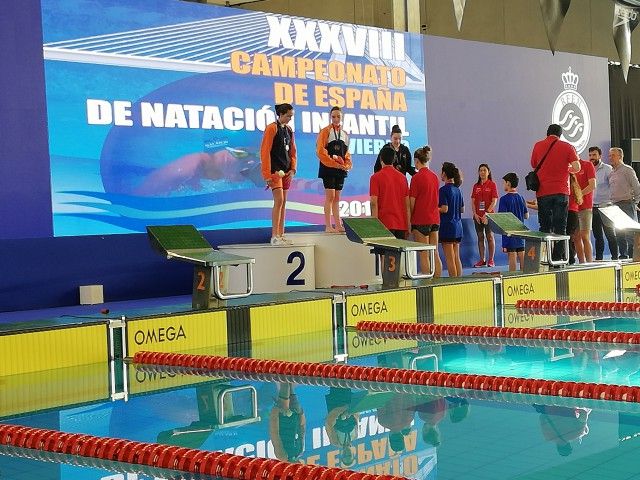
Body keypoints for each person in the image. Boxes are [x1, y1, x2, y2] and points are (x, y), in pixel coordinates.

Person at [530, 124, 581, 261]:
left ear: (547, 133)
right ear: (560, 135)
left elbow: (534, 164)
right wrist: (566, 169)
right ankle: (558, 258)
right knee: (561, 227)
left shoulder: (538, 145)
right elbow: (577, 167)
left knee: (545, 227)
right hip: (561, 191)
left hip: (543, 192)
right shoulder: (567, 146)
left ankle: (544, 258)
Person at [261, 103, 297, 246]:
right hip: (275, 171)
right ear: (281, 114)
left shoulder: (289, 130)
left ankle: (281, 235)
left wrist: (293, 168)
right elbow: (265, 151)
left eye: (291, 116)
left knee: (284, 202)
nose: (290, 119)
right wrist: (267, 174)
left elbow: (293, 151)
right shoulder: (272, 128)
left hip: (286, 171)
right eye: (288, 116)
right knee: (279, 200)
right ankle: (274, 236)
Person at [316, 106, 352, 232]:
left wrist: (346, 165)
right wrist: (333, 163)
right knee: (330, 196)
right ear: (330, 117)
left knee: (337, 198)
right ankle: (328, 225)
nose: (336, 119)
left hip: (340, 170)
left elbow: (347, 154)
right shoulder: (325, 131)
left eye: (338, 116)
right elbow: (320, 151)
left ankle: (338, 224)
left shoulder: (345, 134)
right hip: (328, 168)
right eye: (333, 116)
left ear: (342, 117)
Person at [409, 146, 442, 277]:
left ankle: (428, 284)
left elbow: (412, 202)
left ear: (416, 161)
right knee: (435, 253)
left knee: (424, 254)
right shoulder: (434, 177)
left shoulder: (416, 178)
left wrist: (409, 219)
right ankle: (438, 282)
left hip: (420, 219)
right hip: (434, 219)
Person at [370, 146, 410, 239]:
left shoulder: (375, 178)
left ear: (381, 159)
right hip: (401, 224)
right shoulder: (403, 178)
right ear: (394, 159)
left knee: (384, 249)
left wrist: (375, 225)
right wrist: (408, 225)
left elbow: (373, 203)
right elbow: (407, 204)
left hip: (383, 224)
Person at [608, 147, 640, 259]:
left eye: (613, 155)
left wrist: (635, 202)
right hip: (615, 206)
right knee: (619, 233)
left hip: (627, 204)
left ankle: (633, 257)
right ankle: (623, 256)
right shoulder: (611, 173)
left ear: (620, 156)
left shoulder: (627, 170)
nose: (610, 158)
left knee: (630, 233)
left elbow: (636, 186)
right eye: (609, 155)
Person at [589, 146, 618, 260]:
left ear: (600, 156)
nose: (592, 157)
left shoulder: (607, 169)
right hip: (593, 207)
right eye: (590, 155)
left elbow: (614, 186)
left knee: (610, 235)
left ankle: (615, 258)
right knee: (597, 236)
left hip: (607, 207)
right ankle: (599, 260)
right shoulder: (588, 168)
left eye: (594, 155)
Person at [498, 173, 529, 271]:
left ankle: (512, 277)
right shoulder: (521, 198)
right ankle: (525, 276)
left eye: (504, 183)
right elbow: (526, 216)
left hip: (510, 233)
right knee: (522, 254)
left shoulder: (503, 199)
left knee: (512, 255)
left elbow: (502, 218)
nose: (503, 185)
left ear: (508, 183)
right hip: (521, 232)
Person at [439, 162, 464, 277]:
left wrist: (434, 208)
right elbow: (462, 209)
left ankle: (453, 282)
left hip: (447, 226)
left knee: (449, 258)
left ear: (444, 174)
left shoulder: (443, 190)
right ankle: (459, 280)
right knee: (456, 257)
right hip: (458, 226)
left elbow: (444, 208)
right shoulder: (458, 190)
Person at [471, 163, 498, 268]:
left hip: (488, 216)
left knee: (490, 237)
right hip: (478, 216)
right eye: (480, 170)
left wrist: (487, 214)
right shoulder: (476, 186)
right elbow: (473, 201)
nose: (482, 172)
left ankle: (491, 260)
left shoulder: (492, 185)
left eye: (484, 170)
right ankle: (482, 260)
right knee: (480, 237)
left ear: (488, 172)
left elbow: (494, 201)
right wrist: (475, 214)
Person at [269, 383, 305, 462]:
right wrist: (301, 413)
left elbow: (274, 433)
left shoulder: (282, 456)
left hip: (282, 416)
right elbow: (302, 430)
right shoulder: (300, 451)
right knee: (290, 384)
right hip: (295, 414)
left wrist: (276, 411)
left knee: (285, 385)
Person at [573, 157, 596, 263]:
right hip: (573, 207)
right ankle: (582, 263)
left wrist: (579, 195)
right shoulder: (569, 168)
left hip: (585, 206)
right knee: (576, 237)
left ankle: (589, 262)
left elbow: (592, 185)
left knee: (585, 236)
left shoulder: (587, 165)